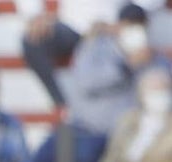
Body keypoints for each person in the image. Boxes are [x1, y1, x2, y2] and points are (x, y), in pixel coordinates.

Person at [32, 3, 169, 162]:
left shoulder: (154, 61)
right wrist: (124, 65)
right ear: (118, 26)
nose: (133, 31)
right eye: (129, 25)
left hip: (111, 135)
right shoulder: (98, 48)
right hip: (80, 126)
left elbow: (155, 95)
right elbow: (85, 81)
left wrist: (140, 63)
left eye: (138, 26)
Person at [17, 0, 163, 110]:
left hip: (121, 26)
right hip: (73, 25)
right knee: (33, 40)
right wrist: (34, 15)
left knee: (138, 43)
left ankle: (138, 113)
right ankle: (65, 108)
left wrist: (130, 15)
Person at [93, 66, 172, 162]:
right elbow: (110, 161)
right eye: (154, 91)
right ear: (141, 94)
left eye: (164, 90)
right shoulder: (127, 121)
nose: (160, 96)